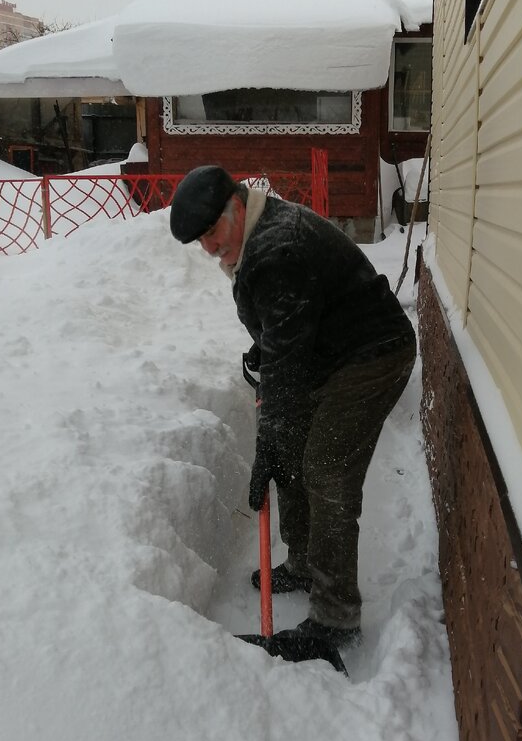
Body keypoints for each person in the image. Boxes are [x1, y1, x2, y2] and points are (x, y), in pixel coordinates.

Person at [169, 164, 416, 648]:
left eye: (212, 232)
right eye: (200, 240)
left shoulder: (278, 248)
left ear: (236, 207)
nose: (209, 248)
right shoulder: (259, 231)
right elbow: (289, 317)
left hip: (371, 355)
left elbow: (286, 366)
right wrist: (267, 350)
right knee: (291, 447)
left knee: (326, 468)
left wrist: (267, 444)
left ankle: (335, 619)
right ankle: (304, 564)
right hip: (327, 350)